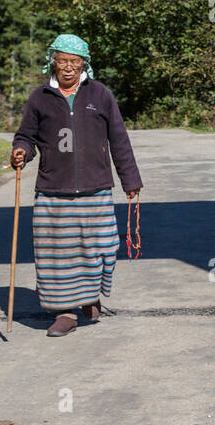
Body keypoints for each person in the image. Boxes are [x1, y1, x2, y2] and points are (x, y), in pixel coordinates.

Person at [10, 33, 142, 338]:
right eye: (63, 61)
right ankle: (66, 312)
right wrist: (21, 152)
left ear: (84, 64)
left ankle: (89, 294)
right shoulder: (39, 97)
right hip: (53, 190)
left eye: (75, 61)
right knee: (58, 255)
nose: (68, 67)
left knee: (102, 246)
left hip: (96, 188)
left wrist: (130, 180)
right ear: (52, 62)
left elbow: (119, 139)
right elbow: (26, 137)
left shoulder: (100, 95)